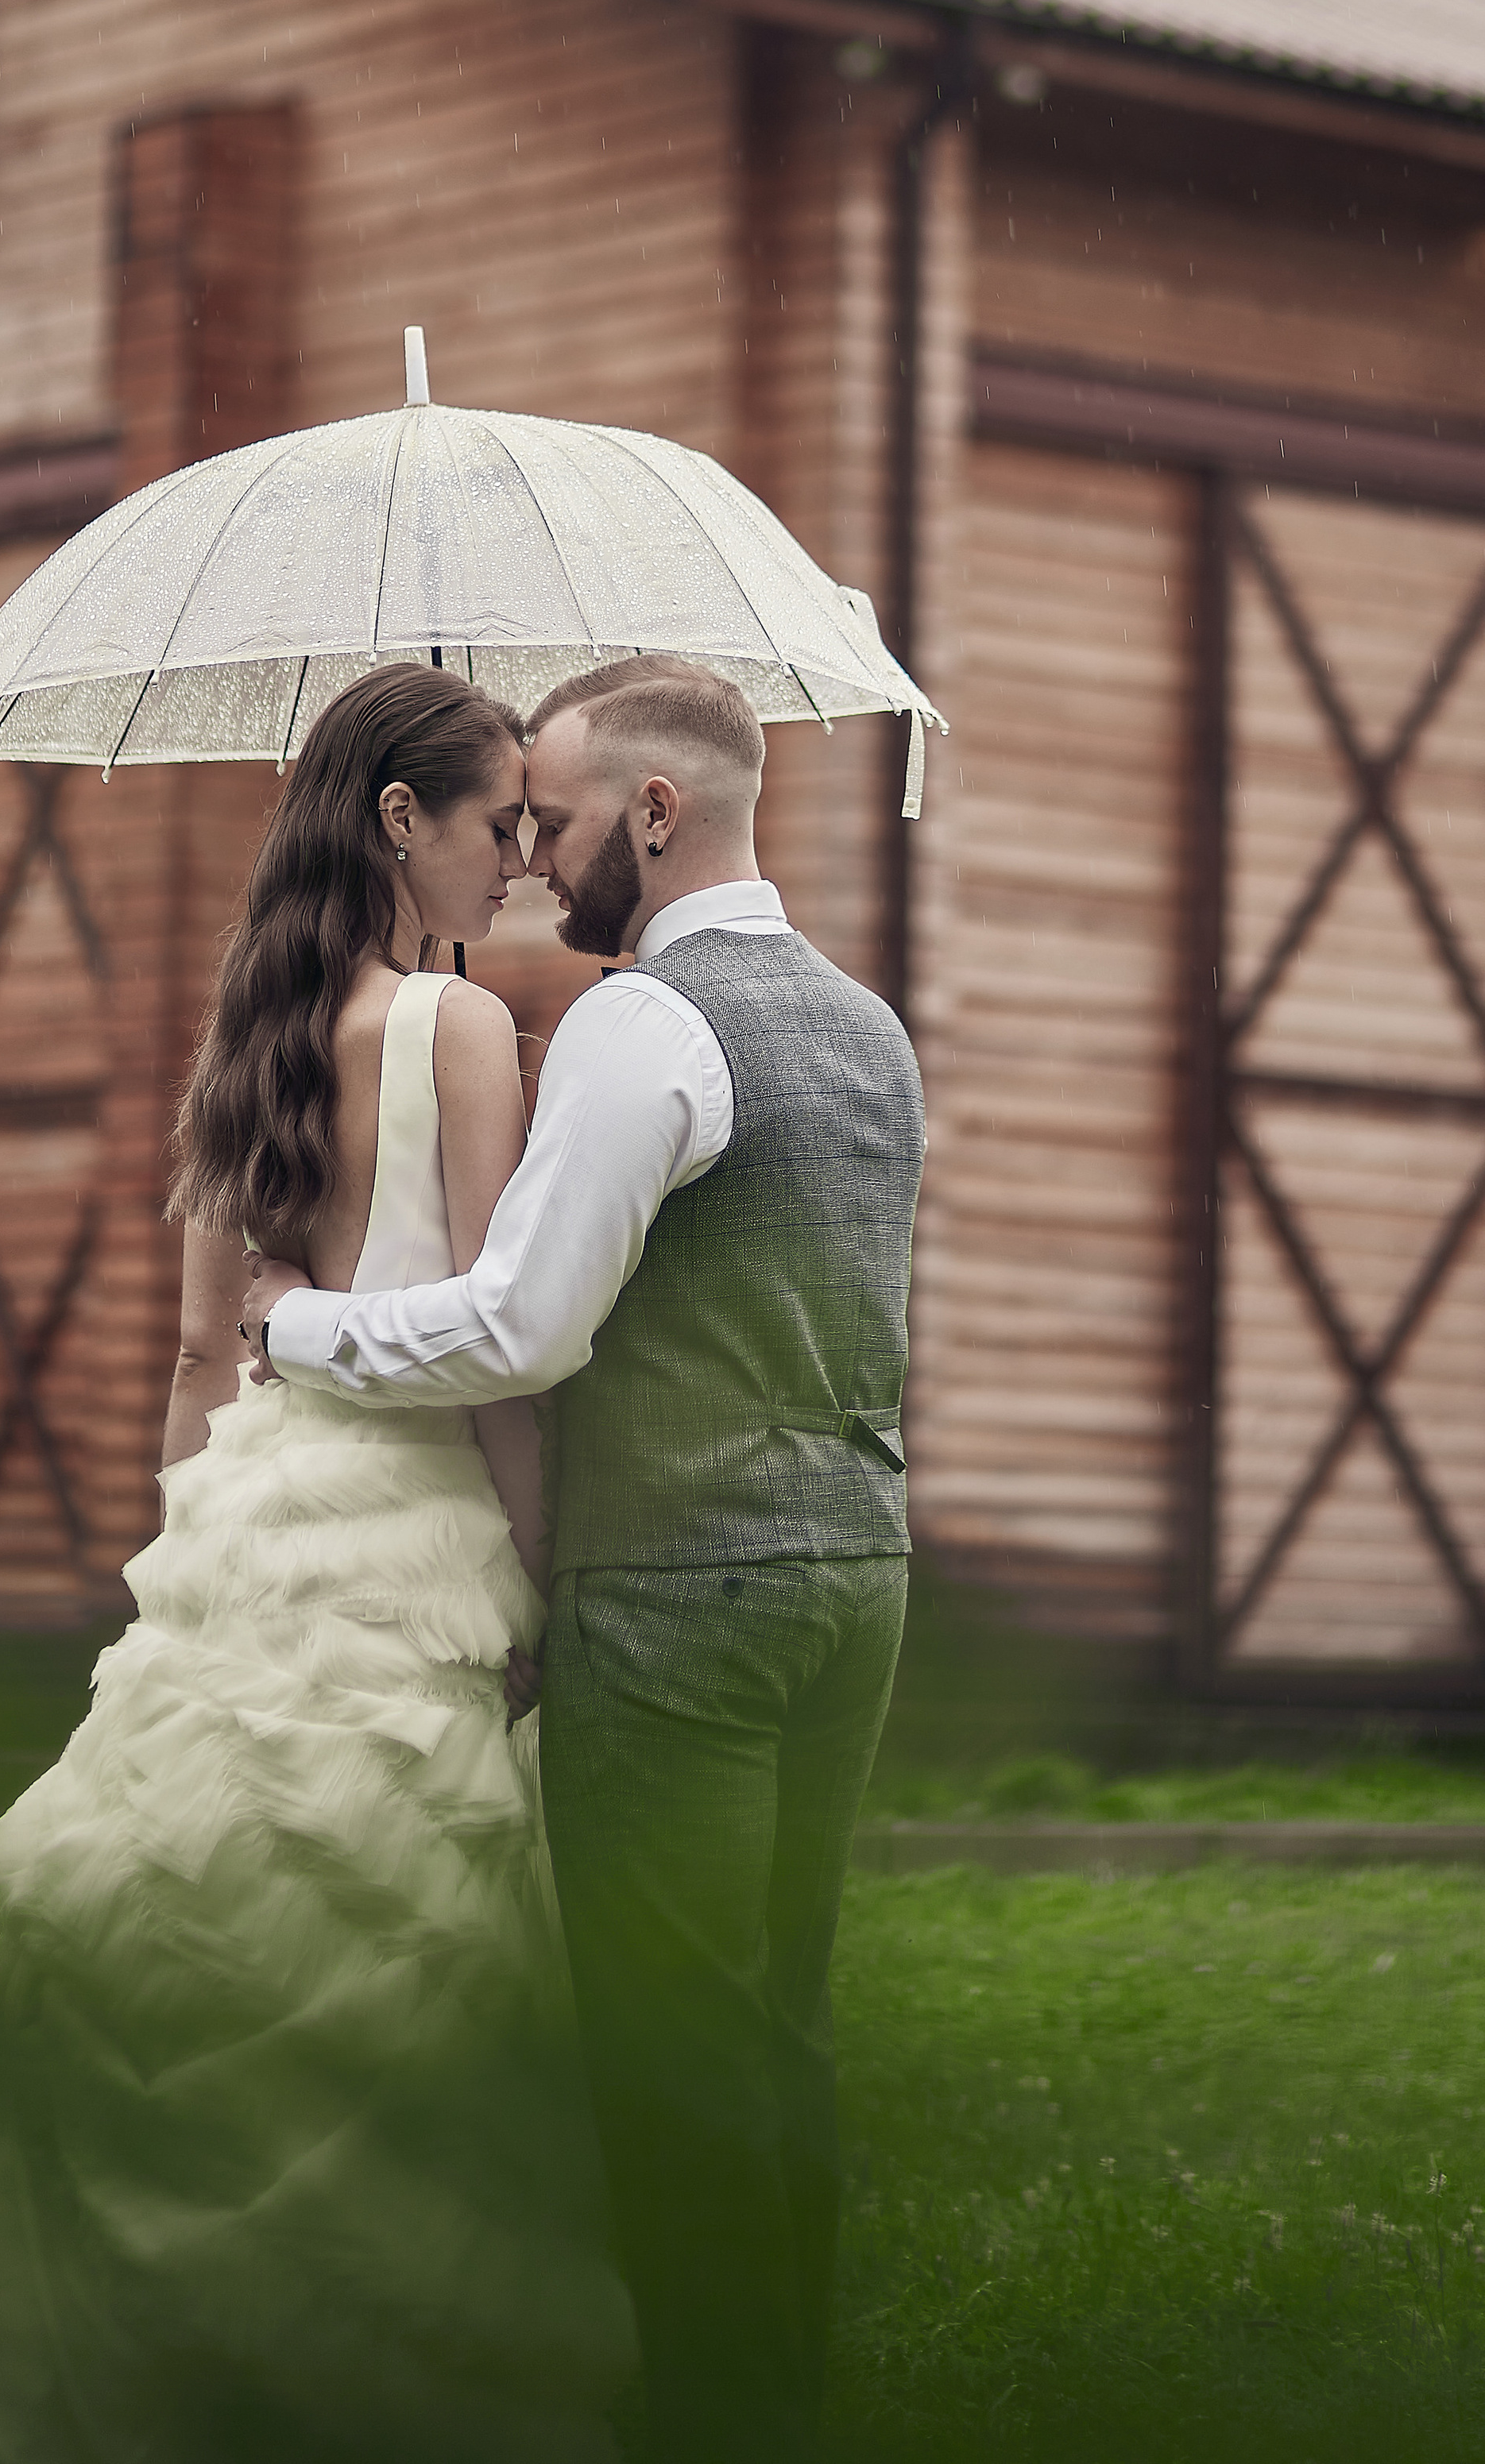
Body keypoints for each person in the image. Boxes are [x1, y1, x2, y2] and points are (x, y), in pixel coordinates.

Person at [0, 663, 636, 2464]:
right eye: (492, 828)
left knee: (200, 1915)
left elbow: (195, 1360)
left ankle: (132, 2367)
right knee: (406, 1955)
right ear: (400, 821)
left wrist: (194, 1569)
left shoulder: (244, 1038)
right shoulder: (459, 1034)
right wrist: (542, 1577)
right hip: (409, 1531)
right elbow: (486, 1345)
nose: (519, 868)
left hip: (252, 1515)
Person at [245, 655, 925, 2464]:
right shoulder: (867, 1025)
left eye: (549, 817)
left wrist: (293, 1329)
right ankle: (782, 2404)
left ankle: (717, 2424)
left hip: (680, 1601)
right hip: (851, 1580)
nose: (531, 860)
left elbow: (518, 1329)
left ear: (653, 812)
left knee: (672, 2058)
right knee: (775, 2030)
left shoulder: (644, 1023)